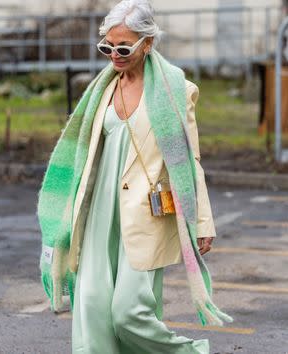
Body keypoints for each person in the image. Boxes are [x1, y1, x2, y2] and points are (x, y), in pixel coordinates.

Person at [36, 1, 232, 353]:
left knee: (130, 312)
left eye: (123, 47)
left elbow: (191, 161)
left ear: (147, 43)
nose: (114, 54)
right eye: (107, 47)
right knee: (92, 307)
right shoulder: (100, 91)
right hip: (98, 211)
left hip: (146, 213)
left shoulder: (176, 91)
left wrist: (202, 221)